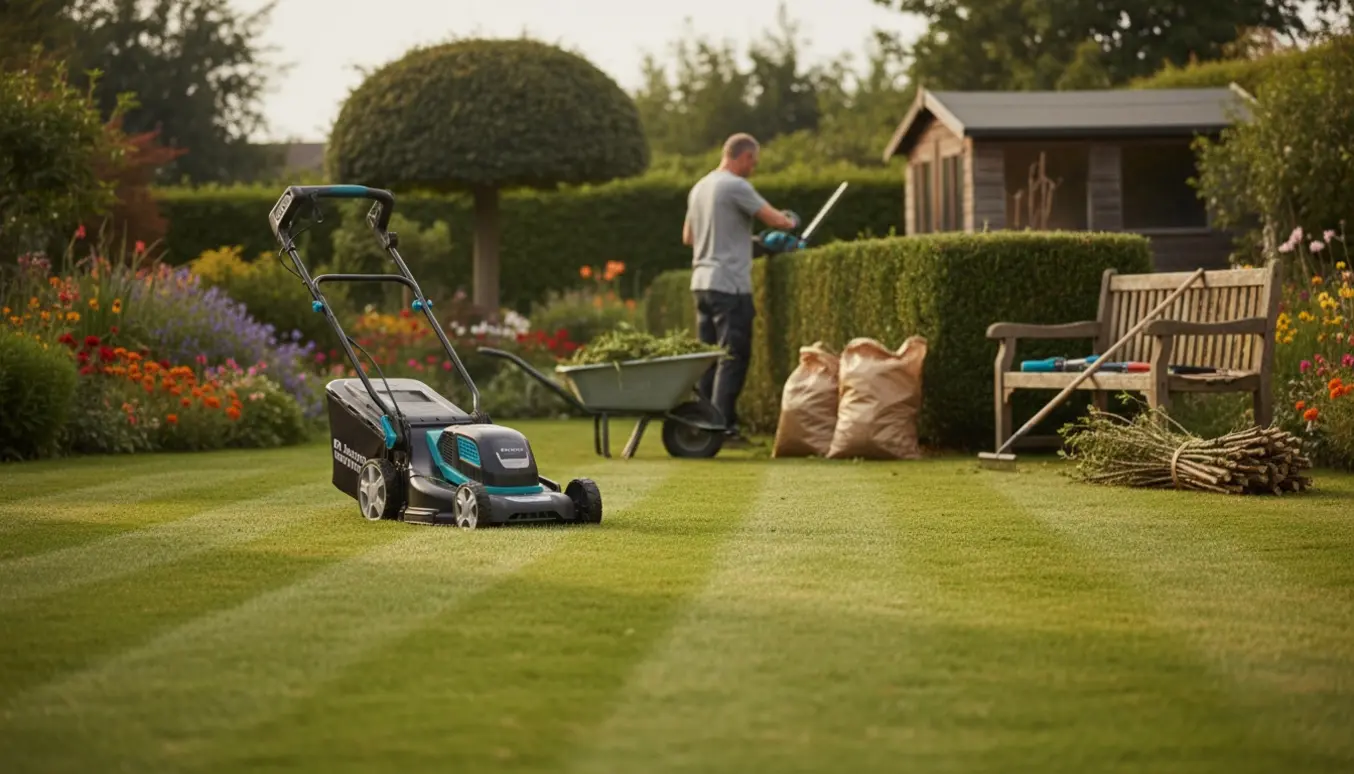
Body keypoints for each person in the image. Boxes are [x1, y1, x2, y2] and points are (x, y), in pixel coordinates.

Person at [682, 133, 799, 445]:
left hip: (702, 285)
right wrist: (789, 222)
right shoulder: (736, 185)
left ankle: (702, 427)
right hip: (730, 286)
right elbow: (777, 220)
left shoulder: (700, 188)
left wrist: (748, 244)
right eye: (753, 162)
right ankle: (723, 429)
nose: (753, 169)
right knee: (733, 357)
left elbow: (689, 238)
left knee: (708, 359)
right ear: (743, 157)